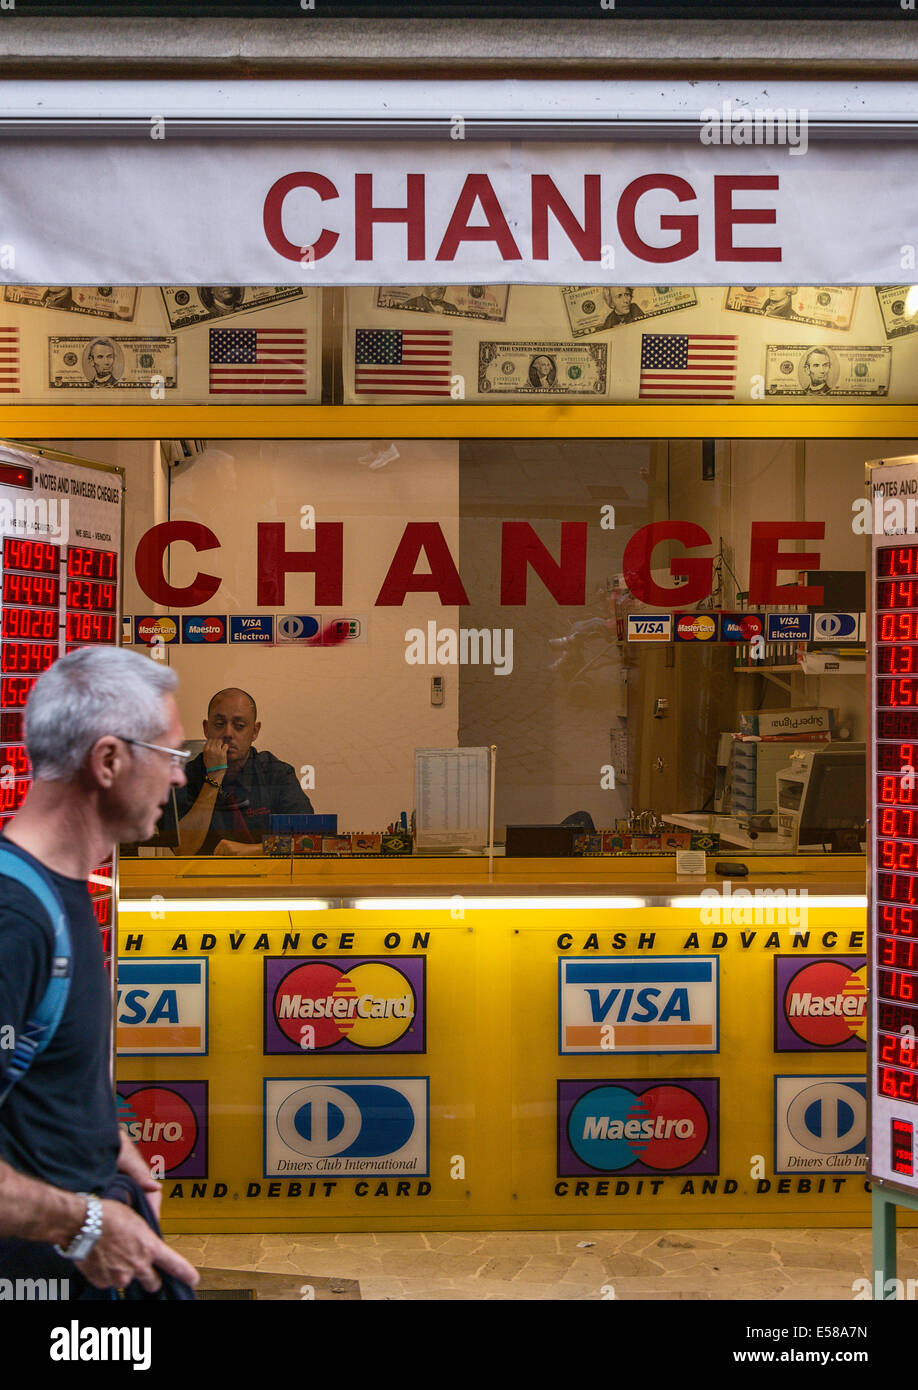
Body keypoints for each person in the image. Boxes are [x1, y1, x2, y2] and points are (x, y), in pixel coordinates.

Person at [0, 646, 199, 1296]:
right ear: (108, 760)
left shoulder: (61, 889)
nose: (179, 778)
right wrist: (87, 1226)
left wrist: (108, 1144)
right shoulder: (15, 921)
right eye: (170, 754)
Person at [176, 687, 313, 855]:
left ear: (255, 731)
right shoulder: (185, 776)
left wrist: (253, 850)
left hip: (268, 871)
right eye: (219, 724)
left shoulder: (276, 774)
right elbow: (182, 849)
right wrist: (214, 776)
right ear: (206, 728)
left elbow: (309, 842)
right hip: (202, 872)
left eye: (239, 726)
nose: (228, 733)